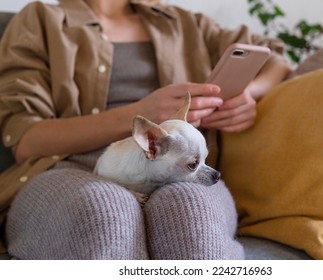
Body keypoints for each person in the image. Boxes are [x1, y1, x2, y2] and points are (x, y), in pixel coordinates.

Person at [0, 0, 291, 259]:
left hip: (178, 170)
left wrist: (250, 94)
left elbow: (276, 58)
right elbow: (26, 138)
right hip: (68, 170)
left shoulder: (186, 23)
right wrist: (140, 114)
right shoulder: (41, 18)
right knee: (105, 212)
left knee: (191, 214)